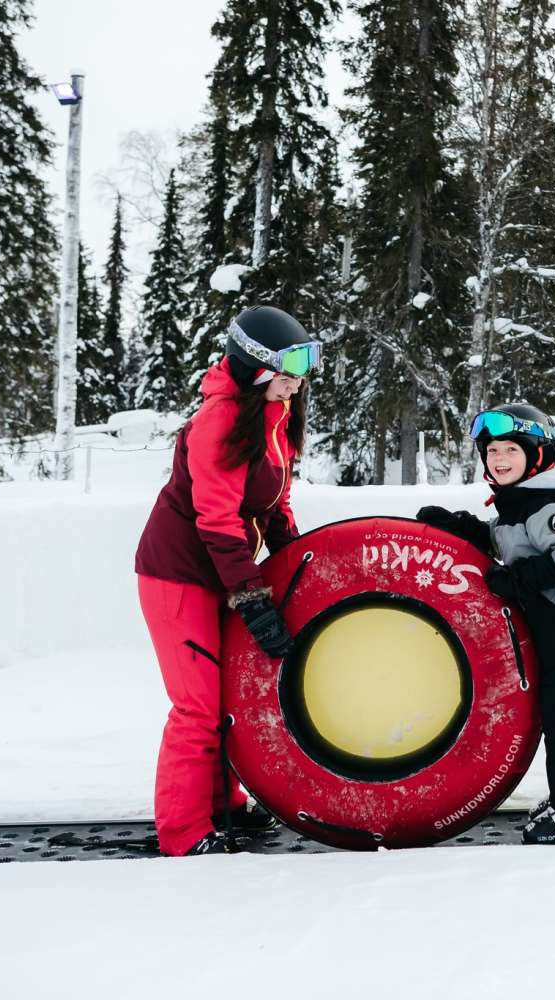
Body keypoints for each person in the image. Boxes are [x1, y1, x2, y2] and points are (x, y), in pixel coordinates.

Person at [134, 305, 323, 856]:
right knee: (196, 705)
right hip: (179, 577)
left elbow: (276, 502)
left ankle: (224, 804)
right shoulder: (219, 420)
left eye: (306, 365)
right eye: (290, 367)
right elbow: (216, 522)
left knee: (228, 697)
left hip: (222, 573)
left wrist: (293, 558)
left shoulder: (275, 413)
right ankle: (184, 832)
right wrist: (253, 599)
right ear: (254, 365)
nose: (298, 380)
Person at [416, 404, 555, 844]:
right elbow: (503, 538)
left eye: (511, 449)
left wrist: (516, 580)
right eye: (492, 451)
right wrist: (457, 527)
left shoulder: (547, 504)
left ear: (537, 455)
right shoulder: (523, 502)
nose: (499, 458)